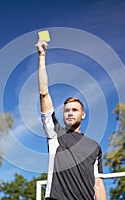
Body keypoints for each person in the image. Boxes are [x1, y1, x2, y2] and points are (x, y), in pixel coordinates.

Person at [36, 39, 107, 200]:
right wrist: (42, 56)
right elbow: (43, 93)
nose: (69, 113)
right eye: (66, 110)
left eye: (74, 110)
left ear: (83, 114)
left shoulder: (94, 147)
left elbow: (98, 184)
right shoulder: (55, 134)